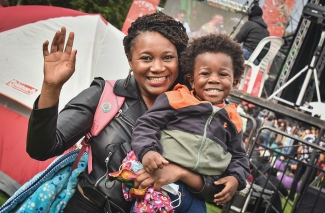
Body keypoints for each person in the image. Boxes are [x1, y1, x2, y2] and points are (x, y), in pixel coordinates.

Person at [25, 12, 237, 213]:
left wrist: (181, 173)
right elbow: (41, 149)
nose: (157, 67)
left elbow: (217, 189)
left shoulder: (201, 112)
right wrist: (51, 88)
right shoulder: (105, 95)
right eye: (146, 58)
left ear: (181, 60)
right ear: (130, 60)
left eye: (167, 58)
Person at [129, 33, 250, 209]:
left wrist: (236, 178)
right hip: (161, 186)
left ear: (235, 81)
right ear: (192, 80)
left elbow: (239, 157)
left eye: (223, 74)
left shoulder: (234, 119)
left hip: (197, 198)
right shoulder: (175, 99)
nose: (214, 79)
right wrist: (148, 151)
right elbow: (146, 125)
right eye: (205, 73)